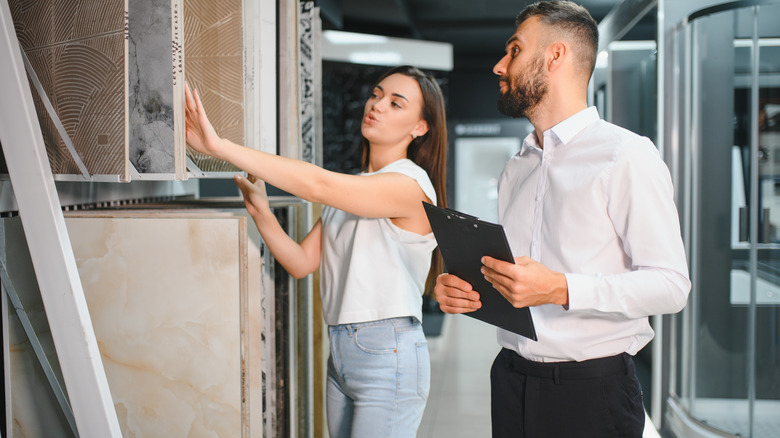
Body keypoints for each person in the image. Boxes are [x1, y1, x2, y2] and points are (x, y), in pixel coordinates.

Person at [433, 2, 691, 437]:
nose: (499, 66)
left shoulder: (625, 155)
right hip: (510, 380)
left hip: (593, 393)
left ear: (555, 56)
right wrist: (463, 288)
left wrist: (561, 288)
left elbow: (671, 286)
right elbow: (520, 276)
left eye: (514, 50)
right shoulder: (518, 165)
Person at [184, 65, 447, 437]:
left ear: (419, 128)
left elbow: (317, 184)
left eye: (396, 103)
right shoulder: (353, 188)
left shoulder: (411, 185)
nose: (377, 105)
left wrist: (220, 147)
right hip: (341, 353)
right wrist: (261, 211)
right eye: (376, 94)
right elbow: (300, 262)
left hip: (388, 353)